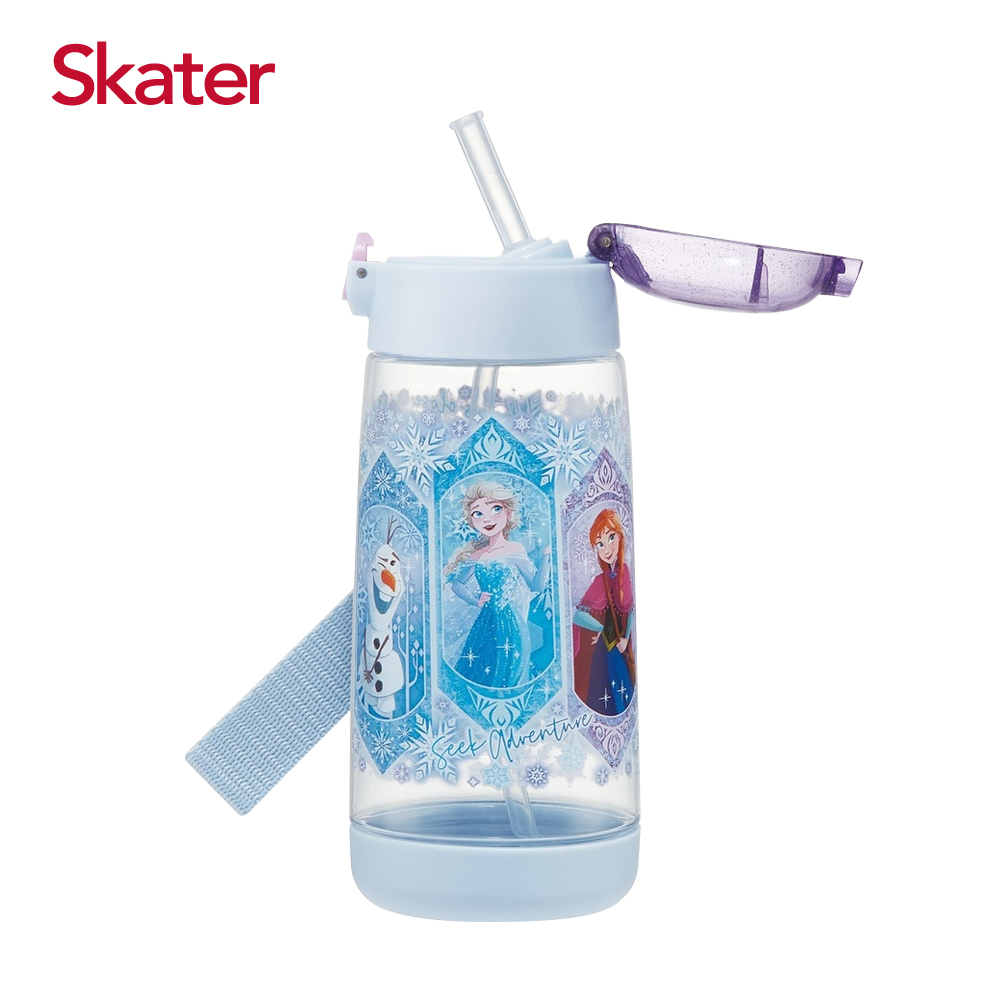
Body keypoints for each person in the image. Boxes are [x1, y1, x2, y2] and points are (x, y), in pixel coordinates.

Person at [446, 482, 550, 688]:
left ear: (508, 513)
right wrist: (476, 600)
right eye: (478, 514)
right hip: (484, 622)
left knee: (507, 671)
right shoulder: (477, 555)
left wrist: (546, 556)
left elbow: (537, 585)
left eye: (495, 509)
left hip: (510, 623)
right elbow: (456, 583)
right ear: (471, 520)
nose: (487, 519)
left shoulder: (514, 549)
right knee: (479, 668)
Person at [573, 508, 636, 714]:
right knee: (606, 687)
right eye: (600, 544)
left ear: (620, 536)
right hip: (606, 647)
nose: (606, 548)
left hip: (620, 646)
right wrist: (600, 628)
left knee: (623, 686)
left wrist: (625, 639)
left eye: (610, 538)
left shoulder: (624, 572)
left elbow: (630, 610)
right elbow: (578, 615)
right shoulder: (601, 580)